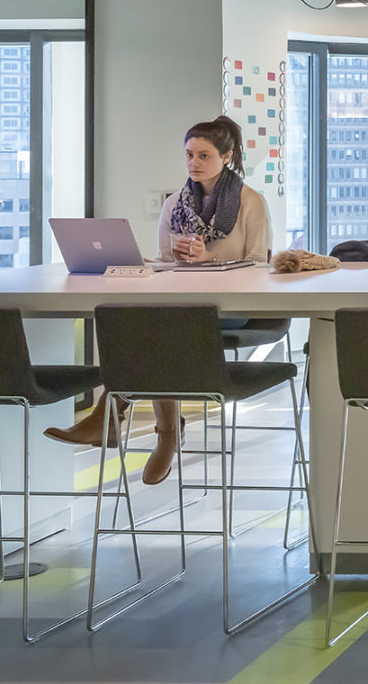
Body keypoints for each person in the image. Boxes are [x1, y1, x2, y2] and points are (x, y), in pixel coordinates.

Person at [45, 116, 272, 484]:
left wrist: (209, 260)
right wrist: (174, 261)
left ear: (227, 156)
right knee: (147, 322)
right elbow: (164, 263)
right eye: (188, 155)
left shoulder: (250, 203)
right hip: (182, 305)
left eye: (203, 155)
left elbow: (261, 266)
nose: (193, 163)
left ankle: (132, 422)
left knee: (163, 328)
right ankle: (160, 431)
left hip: (232, 310)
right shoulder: (174, 205)